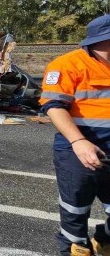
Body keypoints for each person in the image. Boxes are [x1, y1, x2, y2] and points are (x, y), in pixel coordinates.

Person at [40, 14, 110, 256]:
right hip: (78, 147)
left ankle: (104, 239)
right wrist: (79, 142)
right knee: (76, 210)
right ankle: (76, 249)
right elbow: (54, 106)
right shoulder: (67, 65)